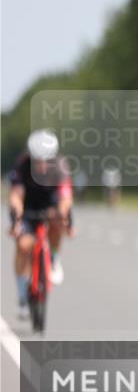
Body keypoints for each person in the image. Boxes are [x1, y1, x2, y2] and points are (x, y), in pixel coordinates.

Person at [8, 129, 74, 319]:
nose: (42, 165)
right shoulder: (22, 165)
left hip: (50, 204)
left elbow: (65, 197)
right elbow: (16, 196)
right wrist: (17, 217)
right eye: (38, 160)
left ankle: (53, 258)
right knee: (23, 245)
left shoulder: (60, 166)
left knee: (57, 224)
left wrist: (63, 213)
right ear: (31, 156)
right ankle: (22, 298)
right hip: (28, 206)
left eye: (47, 160)